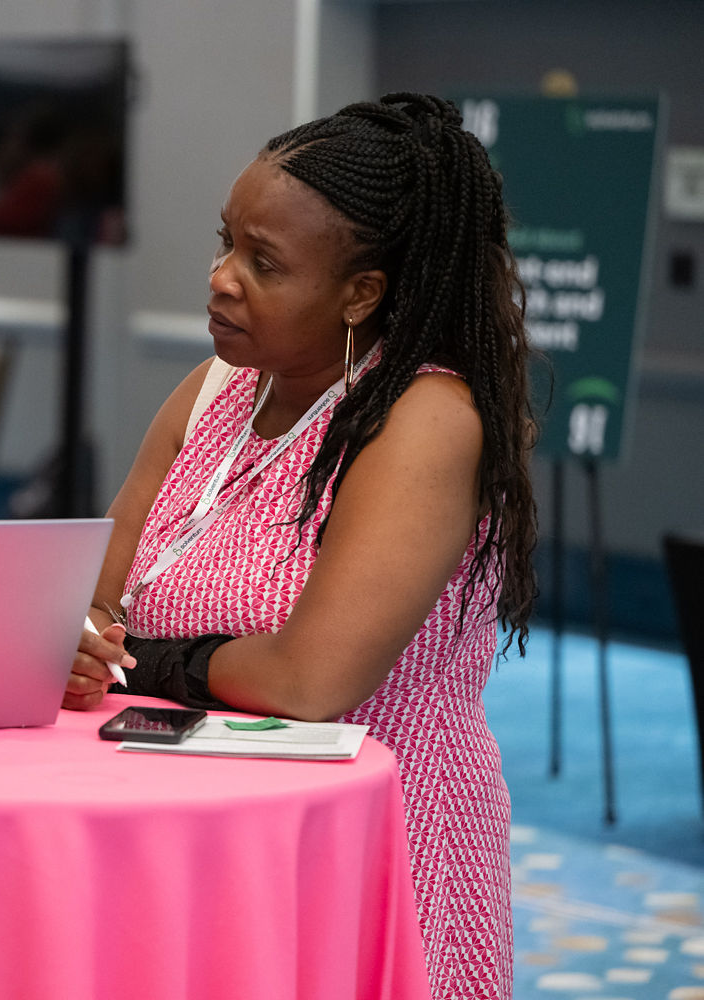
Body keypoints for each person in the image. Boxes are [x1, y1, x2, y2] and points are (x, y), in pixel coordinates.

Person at [67, 93, 536, 1000]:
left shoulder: (424, 419)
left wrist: (127, 664)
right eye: (225, 243)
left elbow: (310, 683)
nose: (221, 277)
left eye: (264, 262)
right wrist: (82, 638)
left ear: (362, 292)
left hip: (367, 838)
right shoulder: (215, 389)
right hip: (191, 825)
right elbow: (91, 599)